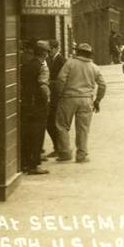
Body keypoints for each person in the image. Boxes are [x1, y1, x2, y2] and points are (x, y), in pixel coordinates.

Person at [55, 42, 106, 163]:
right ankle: (81, 155)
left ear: (78, 52)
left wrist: (60, 93)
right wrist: (97, 100)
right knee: (83, 128)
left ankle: (65, 153)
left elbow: (61, 79)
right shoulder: (94, 67)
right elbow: (103, 85)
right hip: (86, 99)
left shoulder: (70, 63)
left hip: (68, 98)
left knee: (62, 126)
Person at [20, 40, 51, 175]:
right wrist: (47, 99)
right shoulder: (42, 67)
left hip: (26, 104)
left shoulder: (26, 65)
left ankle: (25, 163)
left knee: (27, 134)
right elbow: (43, 86)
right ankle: (34, 165)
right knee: (38, 135)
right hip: (38, 105)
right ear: (44, 53)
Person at [44, 40, 67, 158]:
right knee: (49, 122)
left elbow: (63, 80)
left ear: (57, 48)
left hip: (58, 96)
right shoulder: (48, 60)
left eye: (50, 49)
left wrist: (51, 83)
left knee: (55, 122)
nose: (49, 52)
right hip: (51, 96)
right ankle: (57, 146)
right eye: (48, 50)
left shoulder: (62, 61)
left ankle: (60, 148)